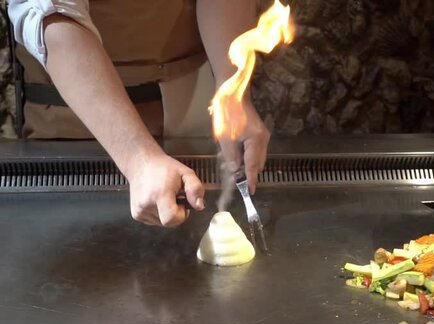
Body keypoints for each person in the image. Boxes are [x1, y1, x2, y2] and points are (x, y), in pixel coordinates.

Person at [7, 0, 270, 227]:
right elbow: (53, 17)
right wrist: (139, 158)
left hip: (189, 104)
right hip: (79, 119)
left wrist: (233, 91)